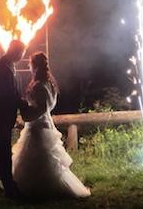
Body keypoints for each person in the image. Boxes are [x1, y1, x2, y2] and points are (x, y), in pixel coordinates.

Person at [12, 52, 91, 198]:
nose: (28, 66)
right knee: (44, 158)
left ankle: (39, 188)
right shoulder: (50, 83)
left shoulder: (38, 86)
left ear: (34, 66)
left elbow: (41, 108)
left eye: (30, 64)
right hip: (45, 123)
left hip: (38, 126)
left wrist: (25, 112)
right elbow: (49, 106)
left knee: (37, 157)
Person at [0, 39, 27, 198]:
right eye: (22, 53)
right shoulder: (2, 68)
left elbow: (11, 92)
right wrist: (23, 104)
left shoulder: (6, 65)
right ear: (16, 51)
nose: (23, 56)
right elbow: (7, 94)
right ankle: (8, 186)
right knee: (1, 150)